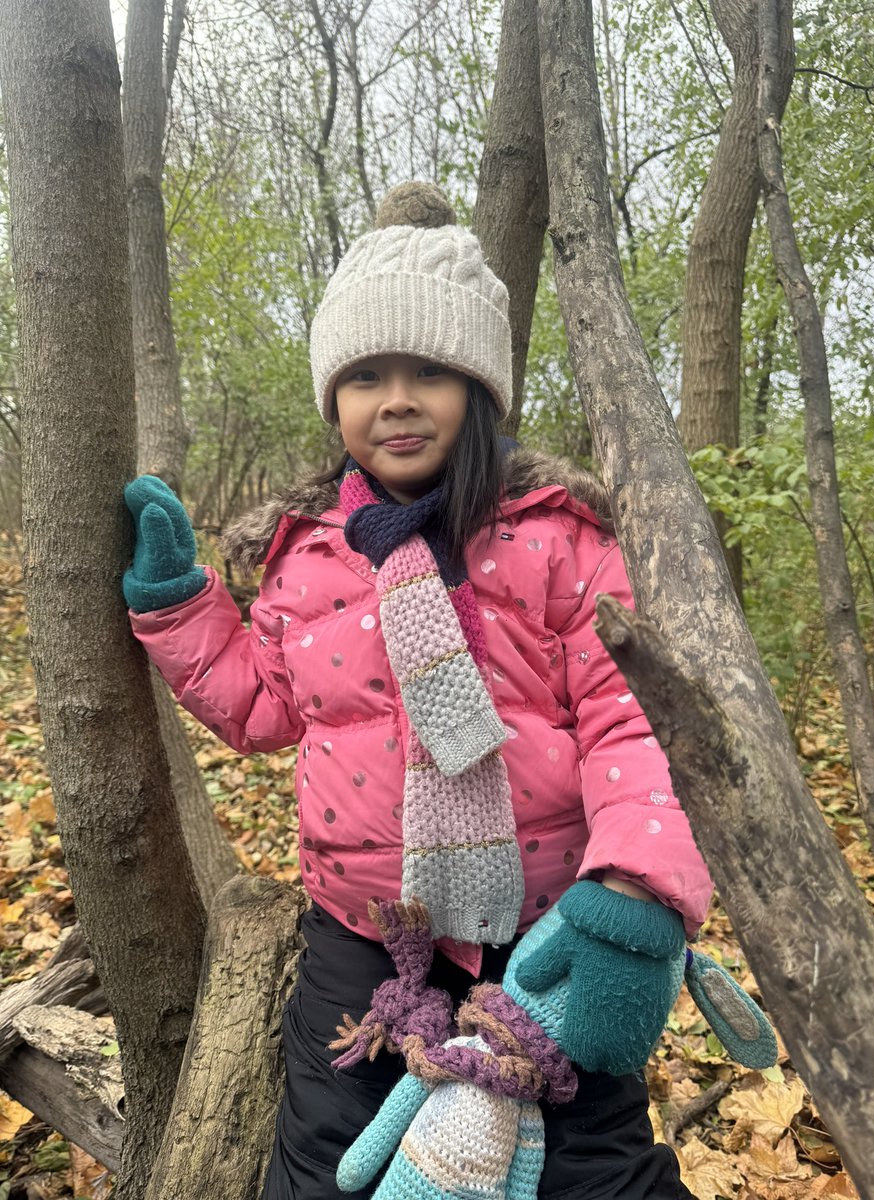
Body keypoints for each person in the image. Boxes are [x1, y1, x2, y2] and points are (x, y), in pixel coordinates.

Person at [123, 181, 713, 1200]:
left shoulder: (556, 537)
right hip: (366, 936)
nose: (396, 399)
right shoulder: (306, 556)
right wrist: (182, 610)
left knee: (594, 1160)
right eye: (365, 376)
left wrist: (635, 892)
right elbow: (263, 705)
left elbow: (632, 721)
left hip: (546, 930)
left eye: (431, 370)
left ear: (481, 389)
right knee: (325, 1158)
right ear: (335, 400)